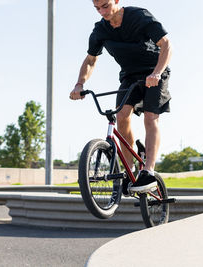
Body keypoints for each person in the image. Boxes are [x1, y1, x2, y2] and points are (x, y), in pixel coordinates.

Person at [69, 0, 172, 194]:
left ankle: (148, 171)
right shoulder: (100, 30)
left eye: (105, 6)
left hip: (154, 72)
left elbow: (166, 45)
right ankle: (131, 170)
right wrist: (79, 84)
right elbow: (91, 60)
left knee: (151, 117)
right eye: (97, 8)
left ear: (116, 0)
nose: (102, 12)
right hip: (130, 76)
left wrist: (157, 73)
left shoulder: (139, 16)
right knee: (122, 117)